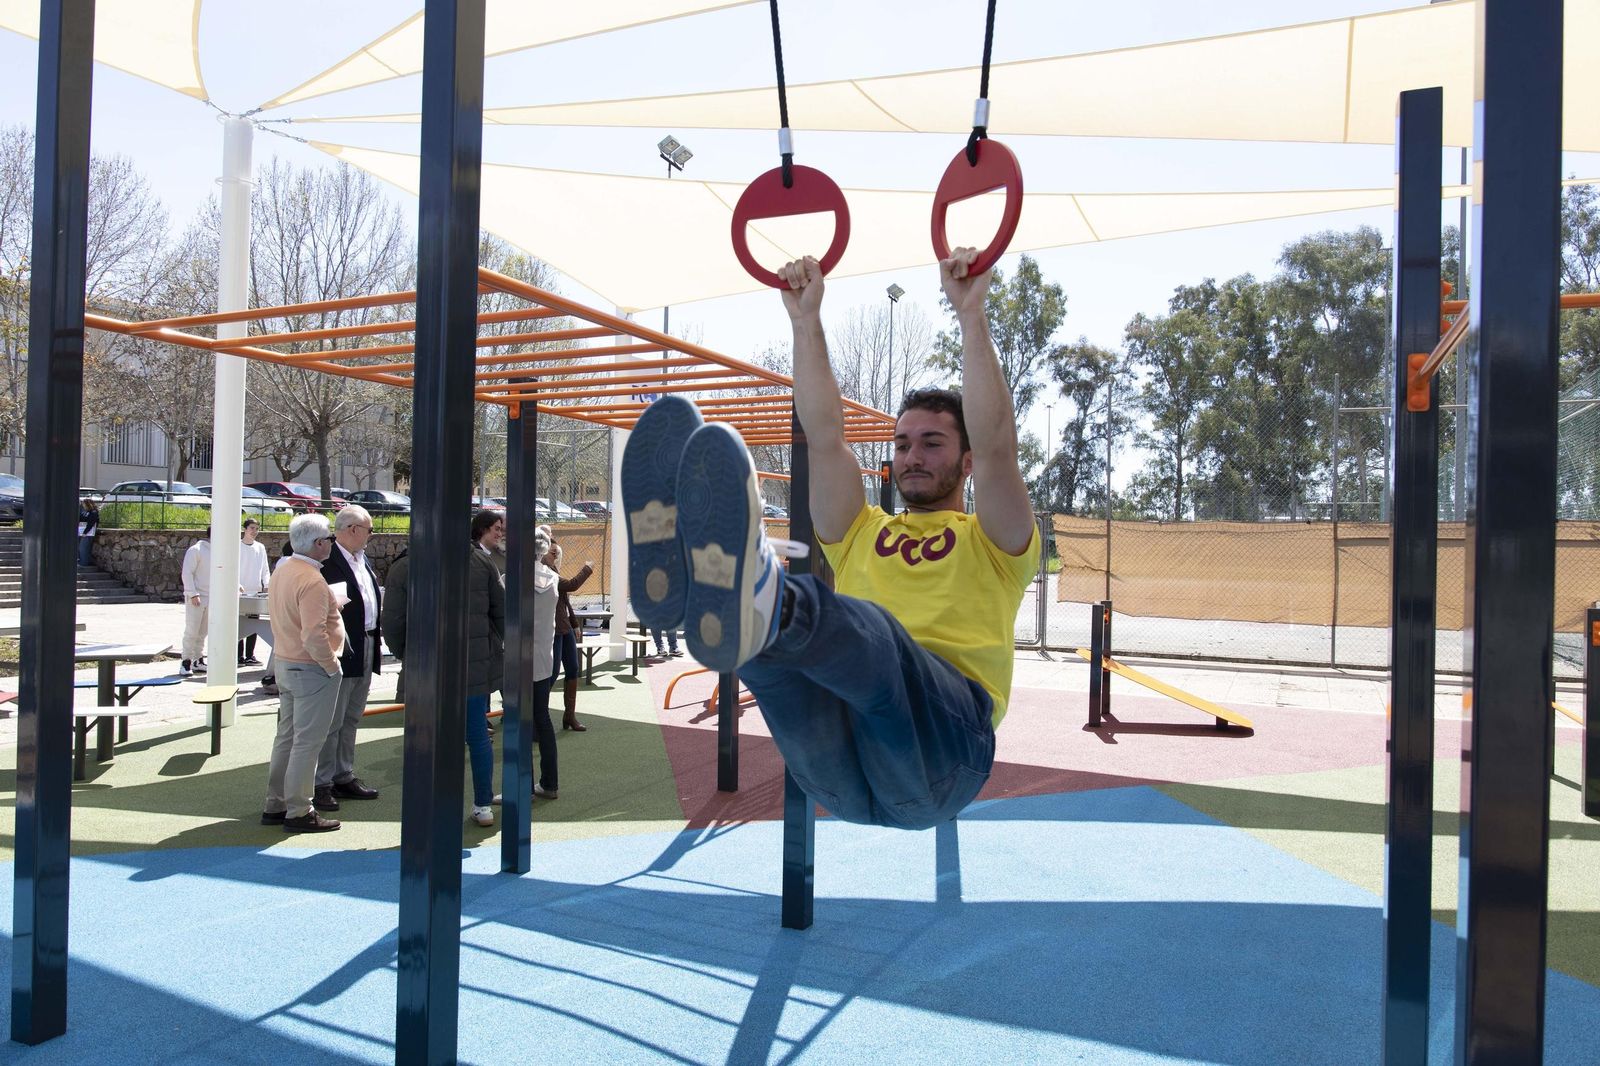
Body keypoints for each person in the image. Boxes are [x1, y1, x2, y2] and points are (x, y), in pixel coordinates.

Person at [621, 249, 1039, 831]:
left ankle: (760, 588)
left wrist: (971, 313)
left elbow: (998, 449)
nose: (911, 456)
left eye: (932, 443)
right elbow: (824, 438)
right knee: (764, 657)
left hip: (942, 756)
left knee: (875, 639)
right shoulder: (863, 531)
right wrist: (804, 320)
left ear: (966, 462)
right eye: (901, 444)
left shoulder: (994, 543)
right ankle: (703, 586)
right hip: (838, 777)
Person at [261, 513, 347, 833]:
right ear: (319, 543)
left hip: (286, 662)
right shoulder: (311, 579)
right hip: (311, 667)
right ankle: (298, 810)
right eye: (330, 539)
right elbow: (313, 635)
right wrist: (331, 664)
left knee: (287, 737)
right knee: (307, 742)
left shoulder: (284, 569)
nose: (332, 544)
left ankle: (276, 803)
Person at [313, 505, 383, 814]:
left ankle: (343, 774)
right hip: (340, 648)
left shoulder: (361, 558)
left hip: (366, 642)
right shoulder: (327, 560)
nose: (371, 535)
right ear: (353, 529)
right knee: (333, 719)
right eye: (369, 529)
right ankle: (322, 782)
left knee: (352, 715)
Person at [546, 535, 594, 731]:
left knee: (573, 668)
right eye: (553, 552)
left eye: (557, 552)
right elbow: (572, 585)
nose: (556, 556)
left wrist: (574, 624)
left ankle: (569, 716)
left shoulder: (552, 570)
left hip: (564, 628)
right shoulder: (543, 572)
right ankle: (538, 715)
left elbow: (564, 600)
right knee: (552, 673)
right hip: (553, 629)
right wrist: (587, 568)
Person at [237, 518, 270, 665]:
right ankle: (238, 656)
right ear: (245, 529)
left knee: (253, 623)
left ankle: (250, 655)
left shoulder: (260, 547)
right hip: (240, 592)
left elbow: (265, 568)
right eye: (252, 528)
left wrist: (267, 584)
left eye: (257, 528)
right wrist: (236, 584)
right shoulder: (237, 546)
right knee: (239, 624)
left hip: (255, 591)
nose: (254, 531)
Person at [178, 536, 211, 676]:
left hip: (211, 597)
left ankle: (198, 660)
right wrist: (192, 593)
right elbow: (187, 572)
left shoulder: (220, 552)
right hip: (196, 598)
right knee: (192, 631)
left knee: (203, 632)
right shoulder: (196, 550)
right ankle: (186, 661)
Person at [77, 498, 99, 566]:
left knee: (83, 548)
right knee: (80, 547)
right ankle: (82, 561)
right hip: (82, 532)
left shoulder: (93, 512)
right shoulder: (85, 512)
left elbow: (91, 523)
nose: (83, 505)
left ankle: (83, 563)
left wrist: (85, 532)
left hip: (88, 533)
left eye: (84, 504)